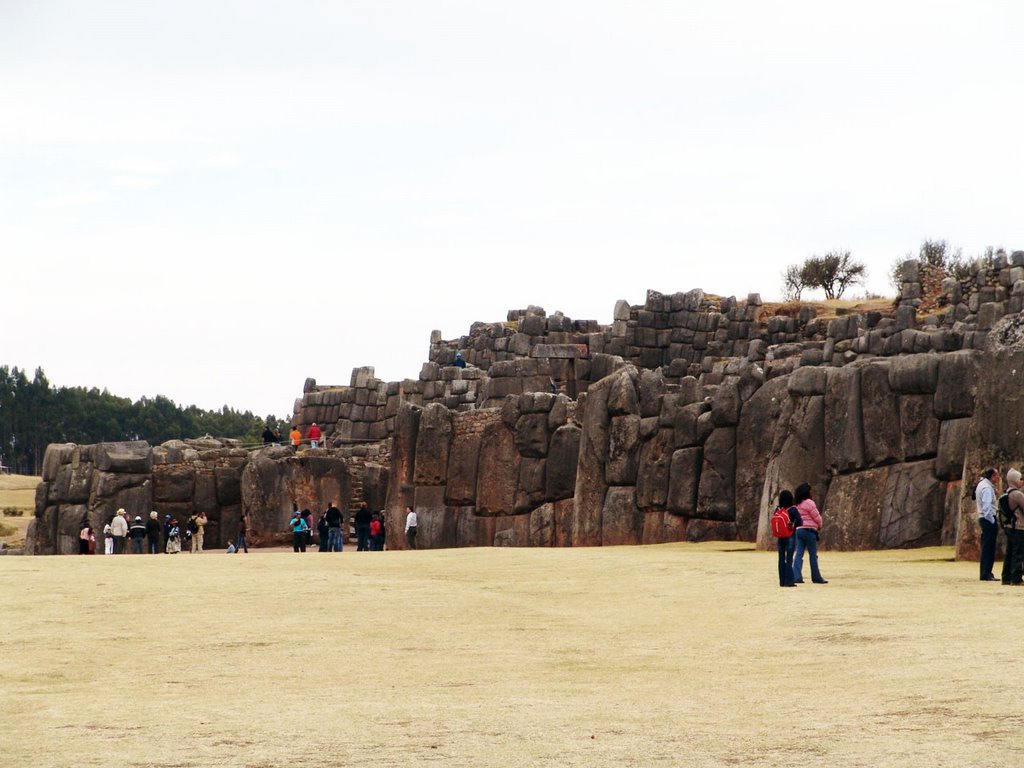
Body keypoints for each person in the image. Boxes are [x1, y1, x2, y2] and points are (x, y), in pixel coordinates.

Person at [792, 483, 827, 584]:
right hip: (809, 531)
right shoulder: (809, 503)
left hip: (799, 530)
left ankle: (796, 576)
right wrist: (820, 526)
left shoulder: (796, 504)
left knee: (798, 554)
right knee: (813, 555)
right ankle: (816, 577)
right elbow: (817, 517)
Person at [773, 490, 801, 587]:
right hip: (790, 536)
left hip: (780, 537)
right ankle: (789, 581)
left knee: (781, 559)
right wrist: (792, 524)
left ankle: (782, 581)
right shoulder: (793, 509)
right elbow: (800, 522)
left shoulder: (778, 509)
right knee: (789, 559)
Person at [976, 468, 999, 581]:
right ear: (992, 476)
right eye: (996, 476)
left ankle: (987, 572)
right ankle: (986, 573)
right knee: (988, 547)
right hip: (988, 519)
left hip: (984, 518)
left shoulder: (982, 484)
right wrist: (992, 520)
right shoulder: (986, 488)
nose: (998, 478)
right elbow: (986, 506)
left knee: (987, 546)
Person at [1002, 469, 1024, 585]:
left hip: (1009, 526)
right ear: (1015, 480)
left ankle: (1006, 577)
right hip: (1018, 527)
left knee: (1010, 552)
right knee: (1018, 553)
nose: (1021, 481)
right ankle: (1016, 578)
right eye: (1020, 479)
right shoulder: (1017, 494)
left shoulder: (1007, 492)